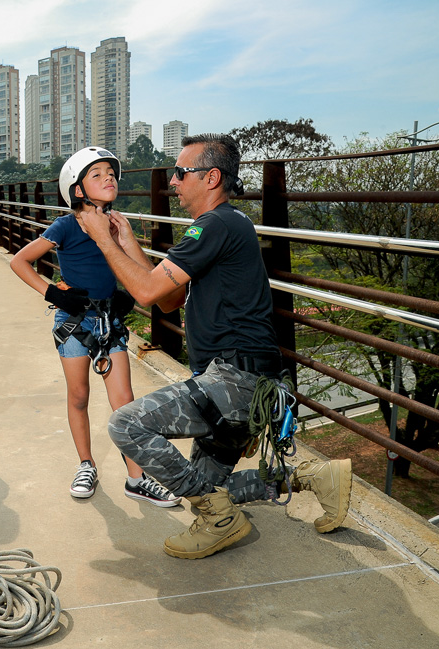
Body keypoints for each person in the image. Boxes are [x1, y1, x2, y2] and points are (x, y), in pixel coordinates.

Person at [77, 134, 352, 559]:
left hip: (236, 382)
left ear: (211, 178)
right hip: (243, 381)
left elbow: (147, 293)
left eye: (180, 173)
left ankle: (220, 521)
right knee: (207, 485)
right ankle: (312, 477)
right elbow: (167, 299)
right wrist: (126, 238)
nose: (172, 182)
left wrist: (102, 239)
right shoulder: (222, 226)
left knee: (127, 425)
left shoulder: (216, 224)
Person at [10, 147, 178, 507]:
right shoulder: (68, 224)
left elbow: (142, 273)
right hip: (74, 322)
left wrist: (125, 295)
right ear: (78, 189)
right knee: (79, 396)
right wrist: (53, 292)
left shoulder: (118, 223)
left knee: (125, 403)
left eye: (112, 173)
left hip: (111, 321)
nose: (109, 179)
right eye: (98, 174)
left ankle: (137, 478)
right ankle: (86, 463)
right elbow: (20, 261)